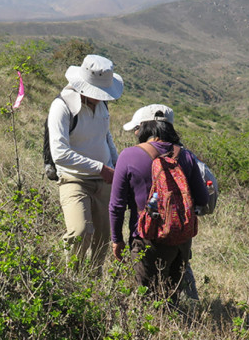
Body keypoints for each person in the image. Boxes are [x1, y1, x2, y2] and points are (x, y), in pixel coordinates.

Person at [109, 104, 208, 304]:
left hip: (146, 238)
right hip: (180, 239)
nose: (136, 133)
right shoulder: (186, 155)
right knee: (172, 297)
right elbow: (203, 199)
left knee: (147, 299)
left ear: (146, 128)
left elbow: (116, 205)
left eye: (137, 129)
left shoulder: (129, 155)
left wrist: (116, 239)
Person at [48, 54, 124, 272]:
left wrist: (116, 166)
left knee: (103, 239)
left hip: (105, 181)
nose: (101, 97)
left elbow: (105, 137)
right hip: (74, 179)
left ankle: (92, 281)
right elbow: (60, 154)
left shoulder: (102, 107)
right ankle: (72, 280)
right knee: (80, 231)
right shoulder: (62, 107)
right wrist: (101, 168)